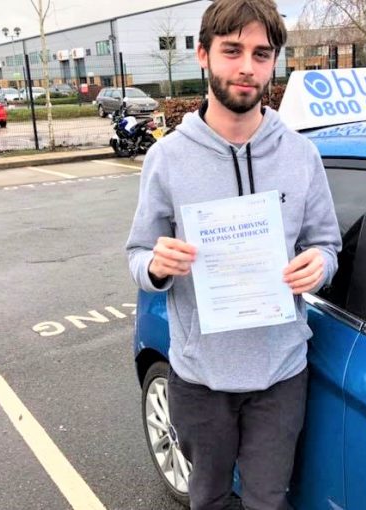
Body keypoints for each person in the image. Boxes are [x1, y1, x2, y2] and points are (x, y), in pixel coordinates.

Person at [125, 1, 341, 508]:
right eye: (232, 51)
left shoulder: (300, 154)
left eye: (261, 54)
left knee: (268, 500)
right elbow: (137, 254)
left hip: (281, 372)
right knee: (209, 499)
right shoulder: (167, 158)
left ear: (274, 63)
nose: (247, 67)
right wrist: (156, 267)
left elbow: (326, 243)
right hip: (200, 376)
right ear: (203, 55)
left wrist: (321, 264)